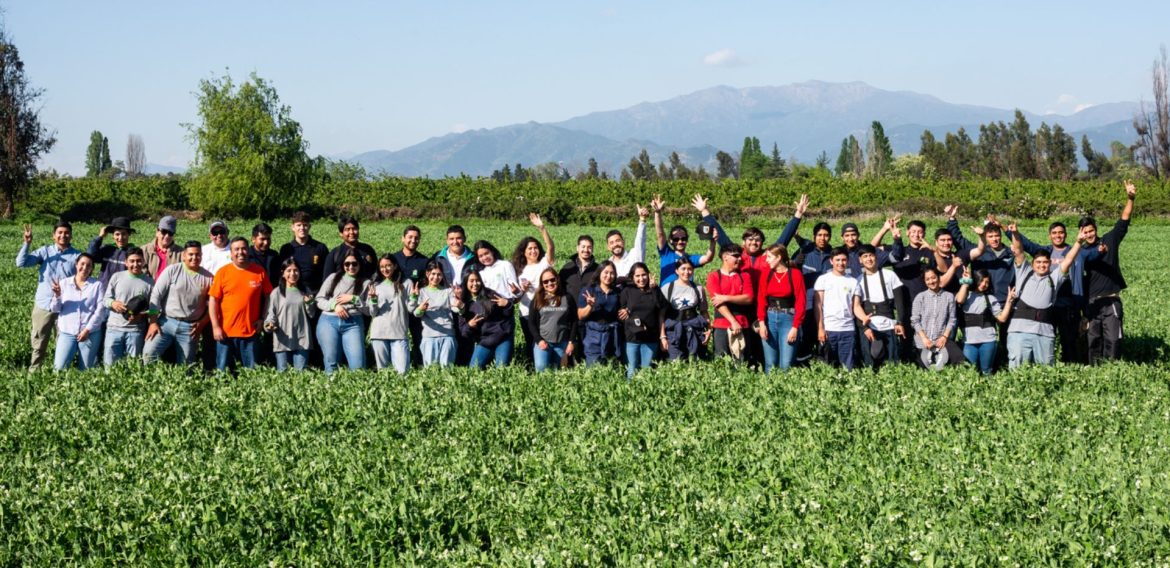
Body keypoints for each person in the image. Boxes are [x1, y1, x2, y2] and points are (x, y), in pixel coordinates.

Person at [1008, 221, 1097, 364]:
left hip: (1050, 322)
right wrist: (1014, 234)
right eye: (1038, 262)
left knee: (1052, 357)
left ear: (1050, 264)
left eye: (1045, 263)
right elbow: (1019, 251)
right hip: (1022, 328)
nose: (1042, 265)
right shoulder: (1025, 272)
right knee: (1020, 363)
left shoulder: (1054, 278)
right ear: (1032, 264)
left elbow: (1068, 259)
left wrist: (1078, 242)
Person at [1081, 180, 1136, 364]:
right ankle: (1094, 372)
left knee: (1113, 339)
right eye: (1085, 232)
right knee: (1093, 340)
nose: (1089, 234)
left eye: (1091, 230)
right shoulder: (1080, 252)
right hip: (1092, 301)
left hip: (1111, 299)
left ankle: (1112, 370)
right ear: (1081, 234)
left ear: (1095, 230)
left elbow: (1124, 219)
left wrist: (1130, 198)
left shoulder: (1109, 240)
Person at [17, 220, 80, 371]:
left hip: (66, 306)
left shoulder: (77, 256)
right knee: (39, 340)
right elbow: (21, 263)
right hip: (44, 304)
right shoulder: (45, 252)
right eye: (60, 233)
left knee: (63, 340)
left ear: (71, 236)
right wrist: (27, 243)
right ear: (54, 235)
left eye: (66, 233)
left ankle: (60, 372)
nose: (63, 236)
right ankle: (35, 370)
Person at [143, 240, 213, 366]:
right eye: (190, 254)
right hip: (166, 322)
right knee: (149, 355)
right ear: (184, 255)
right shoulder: (172, 270)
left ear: (201, 256)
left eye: (197, 254)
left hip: (189, 328)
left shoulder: (208, 278)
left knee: (187, 365)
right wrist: (153, 322)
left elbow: (213, 306)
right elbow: (156, 295)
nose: (194, 258)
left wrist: (201, 323)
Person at [208, 237, 273, 371]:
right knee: (223, 372)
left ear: (248, 250)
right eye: (236, 249)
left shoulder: (259, 271)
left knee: (251, 373)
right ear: (231, 253)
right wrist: (215, 326)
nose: (240, 252)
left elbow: (268, 296)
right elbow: (213, 301)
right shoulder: (222, 272)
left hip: (250, 332)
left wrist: (262, 318)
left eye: (243, 248)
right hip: (225, 333)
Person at [315, 251, 371, 374]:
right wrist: (334, 305)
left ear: (360, 265)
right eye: (347, 264)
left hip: (353, 322)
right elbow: (319, 299)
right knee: (331, 361)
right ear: (343, 265)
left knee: (358, 365)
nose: (351, 267)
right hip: (328, 321)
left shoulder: (366, 283)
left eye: (354, 264)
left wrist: (354, 299)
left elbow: (369, 310)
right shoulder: (333, 278)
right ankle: (331, 389)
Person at [814, 247, 868, 370]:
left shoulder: (853, 282)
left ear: (847, 261)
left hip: (848, 329)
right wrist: (820, 328)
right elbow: (818, 307)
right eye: (837, 260)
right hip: (829, 329)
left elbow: (856, 306)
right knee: (828, 366)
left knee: (847, 366)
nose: (841, 263)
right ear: (831, 261)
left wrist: (864, 317)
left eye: (843, 260)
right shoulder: (823, 280)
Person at [49, 253, 106, 370]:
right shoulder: (64, 283)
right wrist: (57, 295)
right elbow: (55, 308)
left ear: (92, 269)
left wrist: (87, 329)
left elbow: (100, 310)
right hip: (67, 332)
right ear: (76, 265)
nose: (85, 268)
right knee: (59, 367)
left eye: (89, 266)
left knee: (86, 369)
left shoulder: (97, 285)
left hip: (90, 333)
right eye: (82, 264)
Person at [855, 244, 907, 371]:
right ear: (860, 260)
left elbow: (900, 302)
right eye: (865, 256)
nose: (869, 259)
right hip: (869, 325)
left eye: (871, 255)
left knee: (893, 359)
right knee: (870, 360)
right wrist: (864, 327)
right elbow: (856, 307)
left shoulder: (890, 275)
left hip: (889, 323)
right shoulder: (858, 280)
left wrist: (900, 322)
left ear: (876, 257)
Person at [512, 213, 555, 366]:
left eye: (536, 248)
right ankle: (532, 369)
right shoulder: (518, 271)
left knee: (548, 341)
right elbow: (515, 300)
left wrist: (542, 228)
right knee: (531, 342)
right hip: (526, 313)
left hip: (546, 311)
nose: (533, 251)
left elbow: (550, 247)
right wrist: (521, 290)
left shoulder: (544, 263)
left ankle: (549, 366)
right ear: (523, 251)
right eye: (529, 248)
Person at [756, 244, 806, 373]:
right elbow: (761, 300)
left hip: (788, 319)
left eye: (769, 257)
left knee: (786, 364)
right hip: (770, 318)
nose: (766, 260)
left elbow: (801, 302)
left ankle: (785, 390)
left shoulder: (795, 274)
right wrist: (761, 323)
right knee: (770, 363)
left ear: (779, 257)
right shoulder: (766, 274)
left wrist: (795, 327)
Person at [955, 267, 1014, 375]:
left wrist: (1009, 301)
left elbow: (1002, 318)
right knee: (969, 373)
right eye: (981, 280)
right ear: (976, 280)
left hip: (988, 341)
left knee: (986, 371)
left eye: (987, 282)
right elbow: (959, 300)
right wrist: (966, 282)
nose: (983, 284)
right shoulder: (966, 295)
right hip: (969, 342)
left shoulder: (991, 298)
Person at [103, 246, 153, 366]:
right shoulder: (117, 277)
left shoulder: (150, 282)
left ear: (143, 261)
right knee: (110, 367)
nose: (136, 264)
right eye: (132, 261)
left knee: (134, 367)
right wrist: (113, 303)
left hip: (135, 331)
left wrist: (141, 315)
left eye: (139, 261)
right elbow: (105, 299)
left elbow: (154, 309)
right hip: (114, 329)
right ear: (126, 262)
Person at [264, 258, 315, 371]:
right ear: (283, 273)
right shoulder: (276, 292)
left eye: (296, 270)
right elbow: (270, 315)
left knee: (301, 376)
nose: (293, 274)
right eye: (289, 270)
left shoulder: (305, 291)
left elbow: (312, 314)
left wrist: (309, 303)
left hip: (302, 339)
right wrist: (269, 325)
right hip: (283, 340)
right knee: (283, 375)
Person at [409, 260, 462, 368]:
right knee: (430, 370)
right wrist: (421, 309)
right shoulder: (421, 292)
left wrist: (459, 302)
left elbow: (456, 309)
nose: (436, 277)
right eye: (433, 274)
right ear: (427, 274)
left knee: (446, 368)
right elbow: (416, 313)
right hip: (429, 336)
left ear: (442, 276)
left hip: (447, 335)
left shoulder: (448, 291)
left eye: (439, 274)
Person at [706, 244, 754, 361]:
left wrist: (726, 298)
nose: (740, 259)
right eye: (736, 256)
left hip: (742, 322)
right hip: (721, 323)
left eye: (740, 256)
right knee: (721, 359)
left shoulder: (744, 276)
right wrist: (733, 321)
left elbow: (749, 298)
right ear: (725, 257)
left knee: (742, 359)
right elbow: (718, 302)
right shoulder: (714, 276)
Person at [472, 239, 519, 362]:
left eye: (486, 253)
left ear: (492, 251)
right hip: (487, 316)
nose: (484, 258)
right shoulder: (480, 272)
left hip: (504, 314)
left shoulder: (505, 265)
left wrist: (512, 296)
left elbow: (515, 292)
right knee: (477, 364)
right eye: (481, 256)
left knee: (502, 364)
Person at [650, 195, 714, 285]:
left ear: (687, 240)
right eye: (676, 239)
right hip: (667, 297)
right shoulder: (666, 253)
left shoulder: (691, 259)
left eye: (683, 238)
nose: (680, 241)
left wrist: (713, 241)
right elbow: (660, 235)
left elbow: (708, 258)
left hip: (686, 295)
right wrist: (657, 213)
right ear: (671, 241)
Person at [458, 269, 515, 369]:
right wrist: (469, 325)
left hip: (502, 337)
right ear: (466, 282)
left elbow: (508, 313)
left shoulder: (490, 294)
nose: (475, 284)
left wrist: (507, 305)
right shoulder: (463, 303)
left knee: (502, 369)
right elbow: (464, 331)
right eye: (471, 281)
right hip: (484, 340)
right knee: (474, 369)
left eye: (477, 280)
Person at [619, 263, 667, 379]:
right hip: (631, 338)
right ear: (632, 277)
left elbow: (661, 307)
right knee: (631, 370)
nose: (641, 279)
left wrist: (654, 289)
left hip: (650, 338)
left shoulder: (654, 289)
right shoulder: (627, 291)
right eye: (637, 276)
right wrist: (623, 311)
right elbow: (620, 311)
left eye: (644, 275)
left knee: (647, 372)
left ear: (649, 275)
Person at [911, 267, 963, 370]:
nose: (931, 281)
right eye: (928, 279)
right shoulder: (920, 297)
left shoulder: (949, 297)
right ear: (925, 282)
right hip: (923, 340)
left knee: (959, 359)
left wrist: (944, 336)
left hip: (941, 339)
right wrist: (924, 339)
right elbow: (915, 321)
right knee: (923, 367)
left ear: (939, 278)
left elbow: (952, 319)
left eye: (933, 278)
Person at [368, 254, 413, 375]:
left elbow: (410, 308)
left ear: (395, 266)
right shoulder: (375, 285)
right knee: (383, 372)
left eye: (388, 265)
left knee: (402, 372)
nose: (385, 269)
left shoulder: (406, 283)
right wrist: (373, 300)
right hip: (379, 333)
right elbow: (372, 312)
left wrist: (414, 298)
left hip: (399, 332)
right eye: (382, 266)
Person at [527, 267, 578, 372]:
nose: (549, 283)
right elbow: (531, 323)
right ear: (542, 284)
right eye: (545, 281)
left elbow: (574, 321)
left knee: (557, 371)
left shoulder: (567, 298)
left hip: (561, 342)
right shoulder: (537, 300)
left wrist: (571, 342)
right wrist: (539, 340)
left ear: (557, 279)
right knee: (541, 369)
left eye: (552, 280)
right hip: (543, 342)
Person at [661, 256, 710, 361]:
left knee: (696, 361)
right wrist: (662, 336)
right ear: (676, 271)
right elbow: (661, 315)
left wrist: (709, 330)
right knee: (675, 362)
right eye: (683, 269)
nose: (687, 272)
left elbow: (704, 311)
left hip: (694, 329)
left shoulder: (698, 288)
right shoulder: (667, 289)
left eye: (690, 269)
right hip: (674, 330)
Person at [394, 224, 430, 365]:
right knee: (397, 337)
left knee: (418, 337)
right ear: (403, 238)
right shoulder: (394, 259)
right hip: (396, 307)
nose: (413, 240)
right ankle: (399, 364)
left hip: (415, 307)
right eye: (410, 237)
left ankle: (420, 363)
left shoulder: (424, 261)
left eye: (416, 238)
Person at [577, 261, 622, 366]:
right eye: (606, 272)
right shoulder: (589, 290)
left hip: (612, 336)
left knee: (611, 369)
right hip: (594, 335)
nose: (609, 276)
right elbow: (580, 315)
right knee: (594, 368)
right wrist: (590, 306)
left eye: (612, 273)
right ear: (599, 272)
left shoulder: (617, 292)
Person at [277, 211, 331, 295]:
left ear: (309, 227)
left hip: (315, 294)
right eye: (298, 225)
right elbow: (281, 274)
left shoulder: (320, 248)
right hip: (292, 293)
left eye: (305, 225)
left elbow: (327, 274)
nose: (302, 228)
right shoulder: (286, 249)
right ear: (293, 227)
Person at [323, 215, 378, 279]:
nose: (351, 232)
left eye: (354, 229)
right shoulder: (334, 254)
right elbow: (327, 280)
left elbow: (377, 273)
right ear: (341, 233)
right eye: (347, 229)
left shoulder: (368, 250)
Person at [88, 216, 136, 286]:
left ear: (129, 234)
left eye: (124, 234)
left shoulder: (133, 252)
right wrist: (100, 237)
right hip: (104, 290)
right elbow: (90, 256)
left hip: (122, 291)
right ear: (113, 236)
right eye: (117, 234)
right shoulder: (107, 249)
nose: (120, 238)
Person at [606, 205, 649, 282]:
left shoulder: (634, 255)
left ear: (623, 242)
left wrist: (642, 220)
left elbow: (640, 240)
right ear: (608, 247)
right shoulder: (608, 264)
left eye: (618, 241)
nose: (615, 244)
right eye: (612, 243)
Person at [247, 222, 281, 287]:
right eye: (262, 239)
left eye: (268, 239)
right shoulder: (247, 256)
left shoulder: (275, 255)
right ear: (253, 239)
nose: (266, 242)